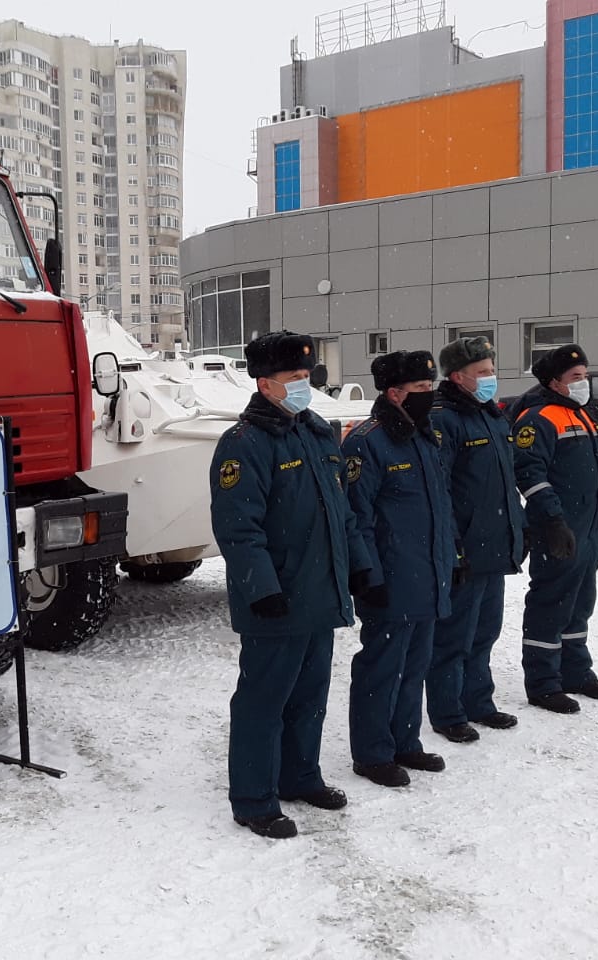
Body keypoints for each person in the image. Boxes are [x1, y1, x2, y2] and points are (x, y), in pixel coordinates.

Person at [210, 330, 372, 839]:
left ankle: (300, 776)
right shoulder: (244, 444)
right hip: (276, 600)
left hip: (320, 593)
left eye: (307, 376)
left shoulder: (318, 432)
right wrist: (263, 589)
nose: (304, 385)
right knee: (264, 699)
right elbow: (238, 527)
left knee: (310, 694)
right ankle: (255, 797)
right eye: (294, 378)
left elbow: (341, 512)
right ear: (265, 384)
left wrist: (361, 567)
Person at [341, 350, 455, 788]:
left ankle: (405, 741)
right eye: (423, 389)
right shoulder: (366, 441)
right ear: (394, 393)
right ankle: (372, 753)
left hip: (428, 575)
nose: (431, 395)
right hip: (390, 577)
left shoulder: (425, 436)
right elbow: (357, 515)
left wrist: (452, 560)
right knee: (382, 667)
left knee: (415, 665)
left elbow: (439, 510)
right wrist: (367, 573)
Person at [513, 344, 598, 714]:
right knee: (551, 604)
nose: (584, 382)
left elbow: (594, 474)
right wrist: (554, 521)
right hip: (558, 531)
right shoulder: (539, 418)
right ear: (555, 383)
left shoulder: (581, 416)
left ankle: (575, 671)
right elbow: (530, 474)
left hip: (588, 531)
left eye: (585, 376)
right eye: (576, 378)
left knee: (579, 604)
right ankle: (543, 682)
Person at [425, 337, 524, 744]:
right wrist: (453, 546)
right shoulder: (443, 418)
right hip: (465, 549)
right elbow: (440, 490)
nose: (490, 378)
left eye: (491, 370)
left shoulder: (491, 415)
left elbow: (504, 482)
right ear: (457, 377)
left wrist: (519, 530)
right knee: (454, 637)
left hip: (495, 545)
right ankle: (448, 711)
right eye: (482, 372)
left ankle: (478, 701)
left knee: (486, 631)